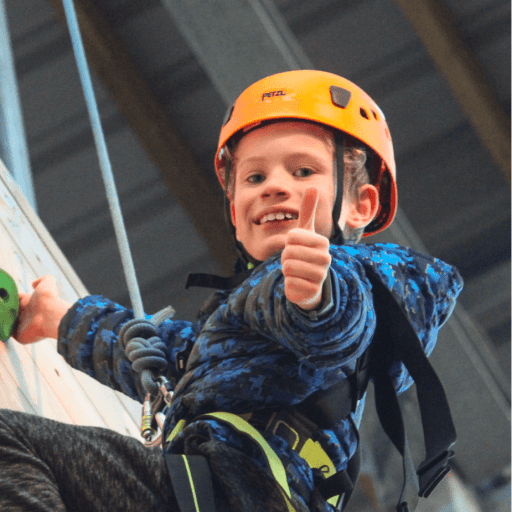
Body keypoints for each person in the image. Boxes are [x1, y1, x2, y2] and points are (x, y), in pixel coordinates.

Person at [1, 70, 463, 512]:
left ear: (362, 205)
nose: (275, 187)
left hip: (242, 485)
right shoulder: (240, 332)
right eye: (254, 178)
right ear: (236, 212)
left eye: (303, 171)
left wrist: (318, 299)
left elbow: (339, 327)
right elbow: (163, 358)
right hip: (210, 484)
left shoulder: (355, 275)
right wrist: (59, 318)